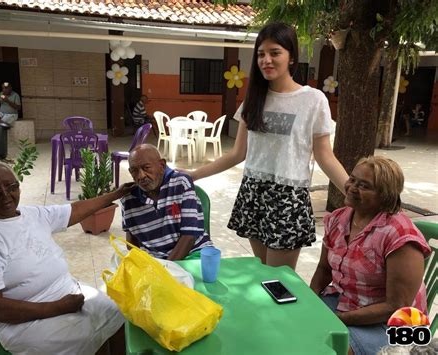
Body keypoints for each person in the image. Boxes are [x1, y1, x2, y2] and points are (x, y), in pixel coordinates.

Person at [184, 22, 348, 269]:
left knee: (279, 277)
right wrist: (193, 175)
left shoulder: (313, 100)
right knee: (263, 274)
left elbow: (325, 156)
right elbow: (237, 154)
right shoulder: (254, 99)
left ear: (291, 57)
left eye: (275, 52)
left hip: (288, 198)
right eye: (261, 54)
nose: (266, 60)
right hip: (254, 193)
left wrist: (354, 191)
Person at [0, 160, 134, 355]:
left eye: (11, 186)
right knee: (84, 334)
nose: (5, 195)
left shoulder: (30, 214)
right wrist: (56, 308)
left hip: (66, 292)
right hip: (24, 321)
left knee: (116, 312)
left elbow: (74, 211)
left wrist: (117, 194)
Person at [310, 156, 431, 355]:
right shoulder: (338, 219)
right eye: (352, 179)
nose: (352, 187)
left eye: (364, 185)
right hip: (347, 302)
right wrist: (310, 300)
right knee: (297, 324)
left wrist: (338, 319)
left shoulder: (400, 236)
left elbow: (396, 306)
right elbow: (324, 269)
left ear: (385, 195)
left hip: (396, 324)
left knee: (328, 348)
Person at [121, 144, 212, 260]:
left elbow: (189, 236)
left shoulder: (180, 183)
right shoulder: (128, 199)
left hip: (193, 253)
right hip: (156, 260)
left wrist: (166, 270)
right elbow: (132, 244)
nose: (141, 176)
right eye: (134, 171)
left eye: (146, 168)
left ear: (162, 165)